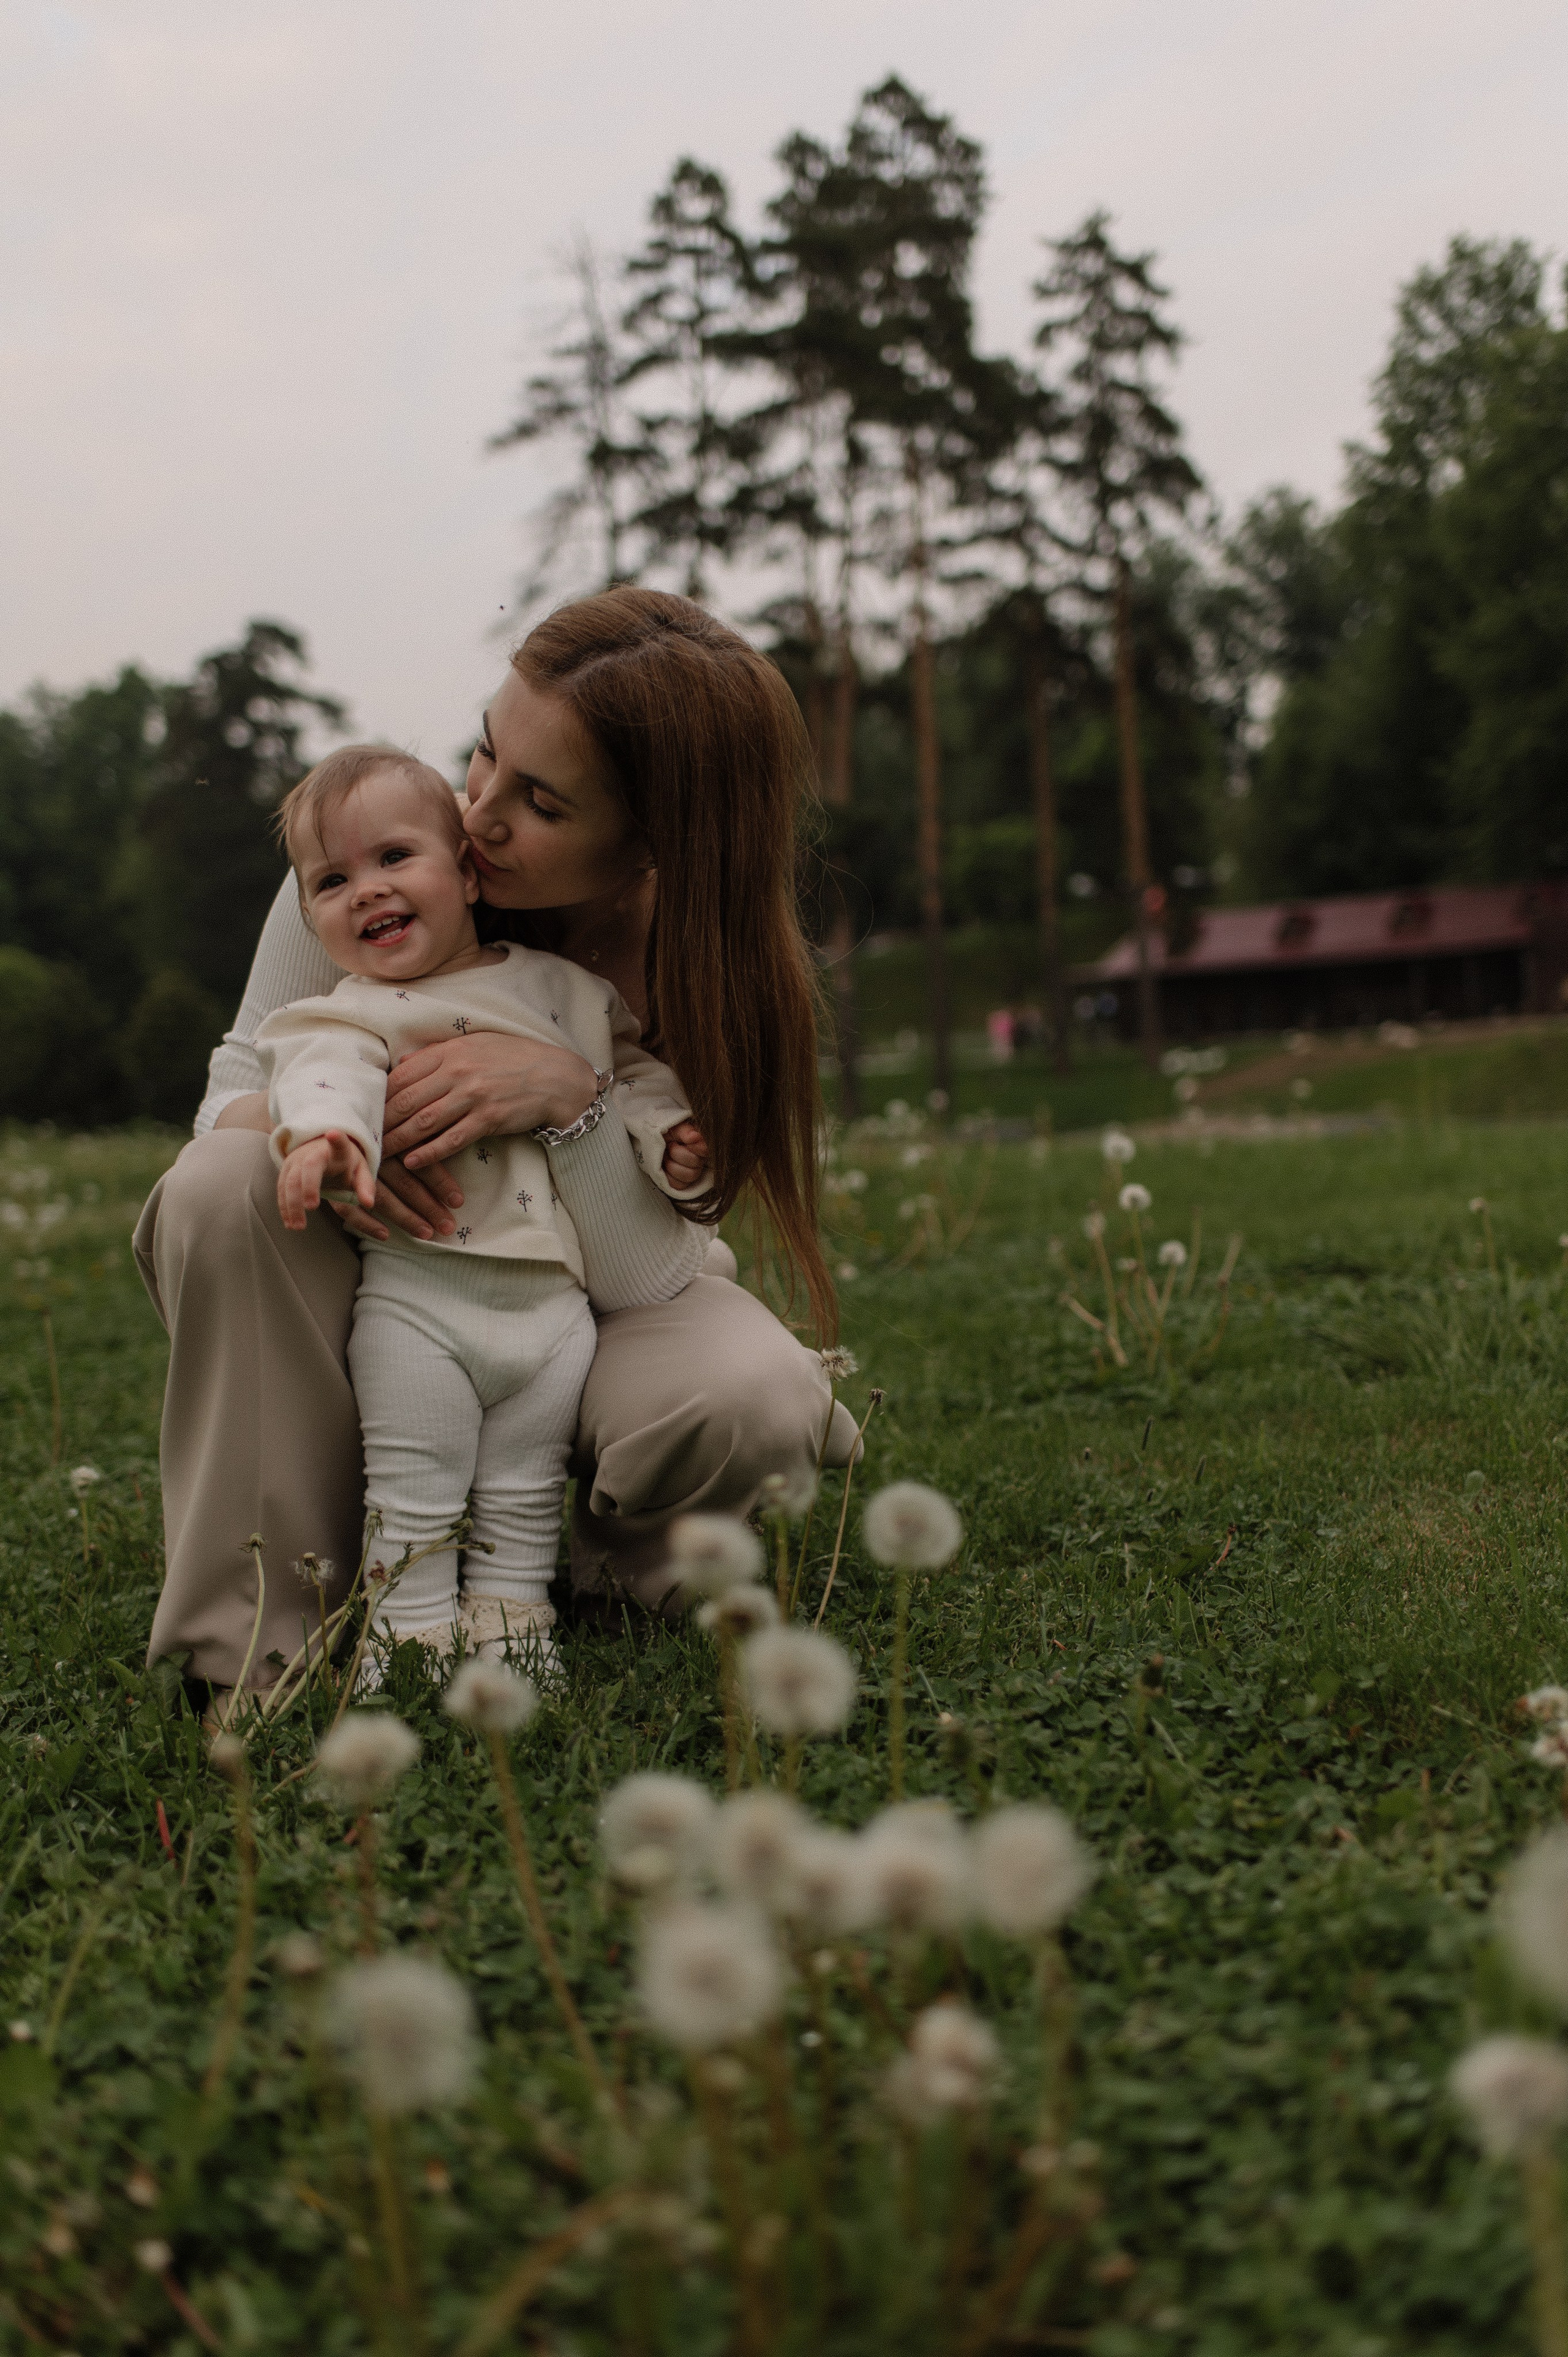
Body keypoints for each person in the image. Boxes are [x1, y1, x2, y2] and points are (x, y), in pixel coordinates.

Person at [133, 589, 857, 1697]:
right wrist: (344, 1128)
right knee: (223, 1185)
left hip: (599, 1292)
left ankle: (589, 1576)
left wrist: (570, 1100)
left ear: (652, 840)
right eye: (484, 751)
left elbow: (648, 1273)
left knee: (749, 1393)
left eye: (542, 803)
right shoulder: (372, 854)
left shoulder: (712, 963)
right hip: (395, 1266)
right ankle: (265, 1626)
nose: (478, 814)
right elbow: (226, 1107)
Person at [261, 742, 706, 1672]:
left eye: (393, 859)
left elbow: (628, 1076)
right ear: (310, 917)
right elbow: (326, 1078)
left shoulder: (564, 990)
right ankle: (406, 1640)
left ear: (467, 874)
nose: (367, 891)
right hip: (422, 1301)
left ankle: (514, 1636)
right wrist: (326, 1138)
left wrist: (670, 1136)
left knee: (522, 1491)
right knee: (415, 1487)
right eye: (332, 881)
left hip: (554, 1314)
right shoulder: (349, 1014)